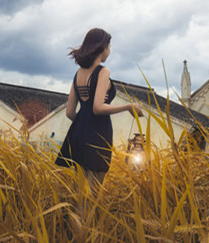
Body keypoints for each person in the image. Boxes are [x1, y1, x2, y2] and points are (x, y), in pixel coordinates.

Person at [55, 28, 143, 190]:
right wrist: (129, 106)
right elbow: (97, 108)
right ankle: (88, 217)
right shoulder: (103, 72)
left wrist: (84, 123)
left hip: (78, 135)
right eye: (109, 46)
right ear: (102, 47)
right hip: (97, 136)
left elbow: (69, 112)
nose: (109, 50)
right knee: (94, 193)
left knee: (81, 192)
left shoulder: (78, 74)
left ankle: (79, 216)